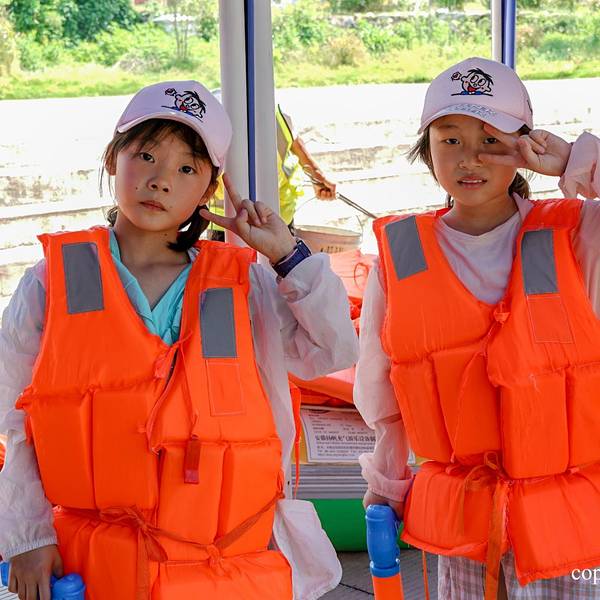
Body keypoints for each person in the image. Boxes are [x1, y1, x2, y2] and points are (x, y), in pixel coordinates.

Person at [0, 80, 358, 600]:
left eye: (187, 169)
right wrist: (27, 536)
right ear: (113, 160)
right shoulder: (52, 281)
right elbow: (12, 416)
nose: (160, 181)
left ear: (209, 191)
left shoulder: (245, 283)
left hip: (225, 566)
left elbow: (332, 350)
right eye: (145, 156)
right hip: (97, 565)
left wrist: (288, 256)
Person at [354, 56, 600, 600]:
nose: (470, 158)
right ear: (427, 149)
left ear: (525, 146)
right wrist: (387, 485)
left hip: (569, 519)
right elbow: (383, 387)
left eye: (491, 140)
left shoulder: (577, 233)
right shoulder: (402, 254)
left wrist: (574, 162)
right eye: (450, 139)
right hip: (463, 514)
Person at [207, 97, 337, 240]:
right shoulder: (265, 104)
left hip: (274, 219)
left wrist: (317, 175)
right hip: (232, 224)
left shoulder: (268, 107)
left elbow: (293, 141)